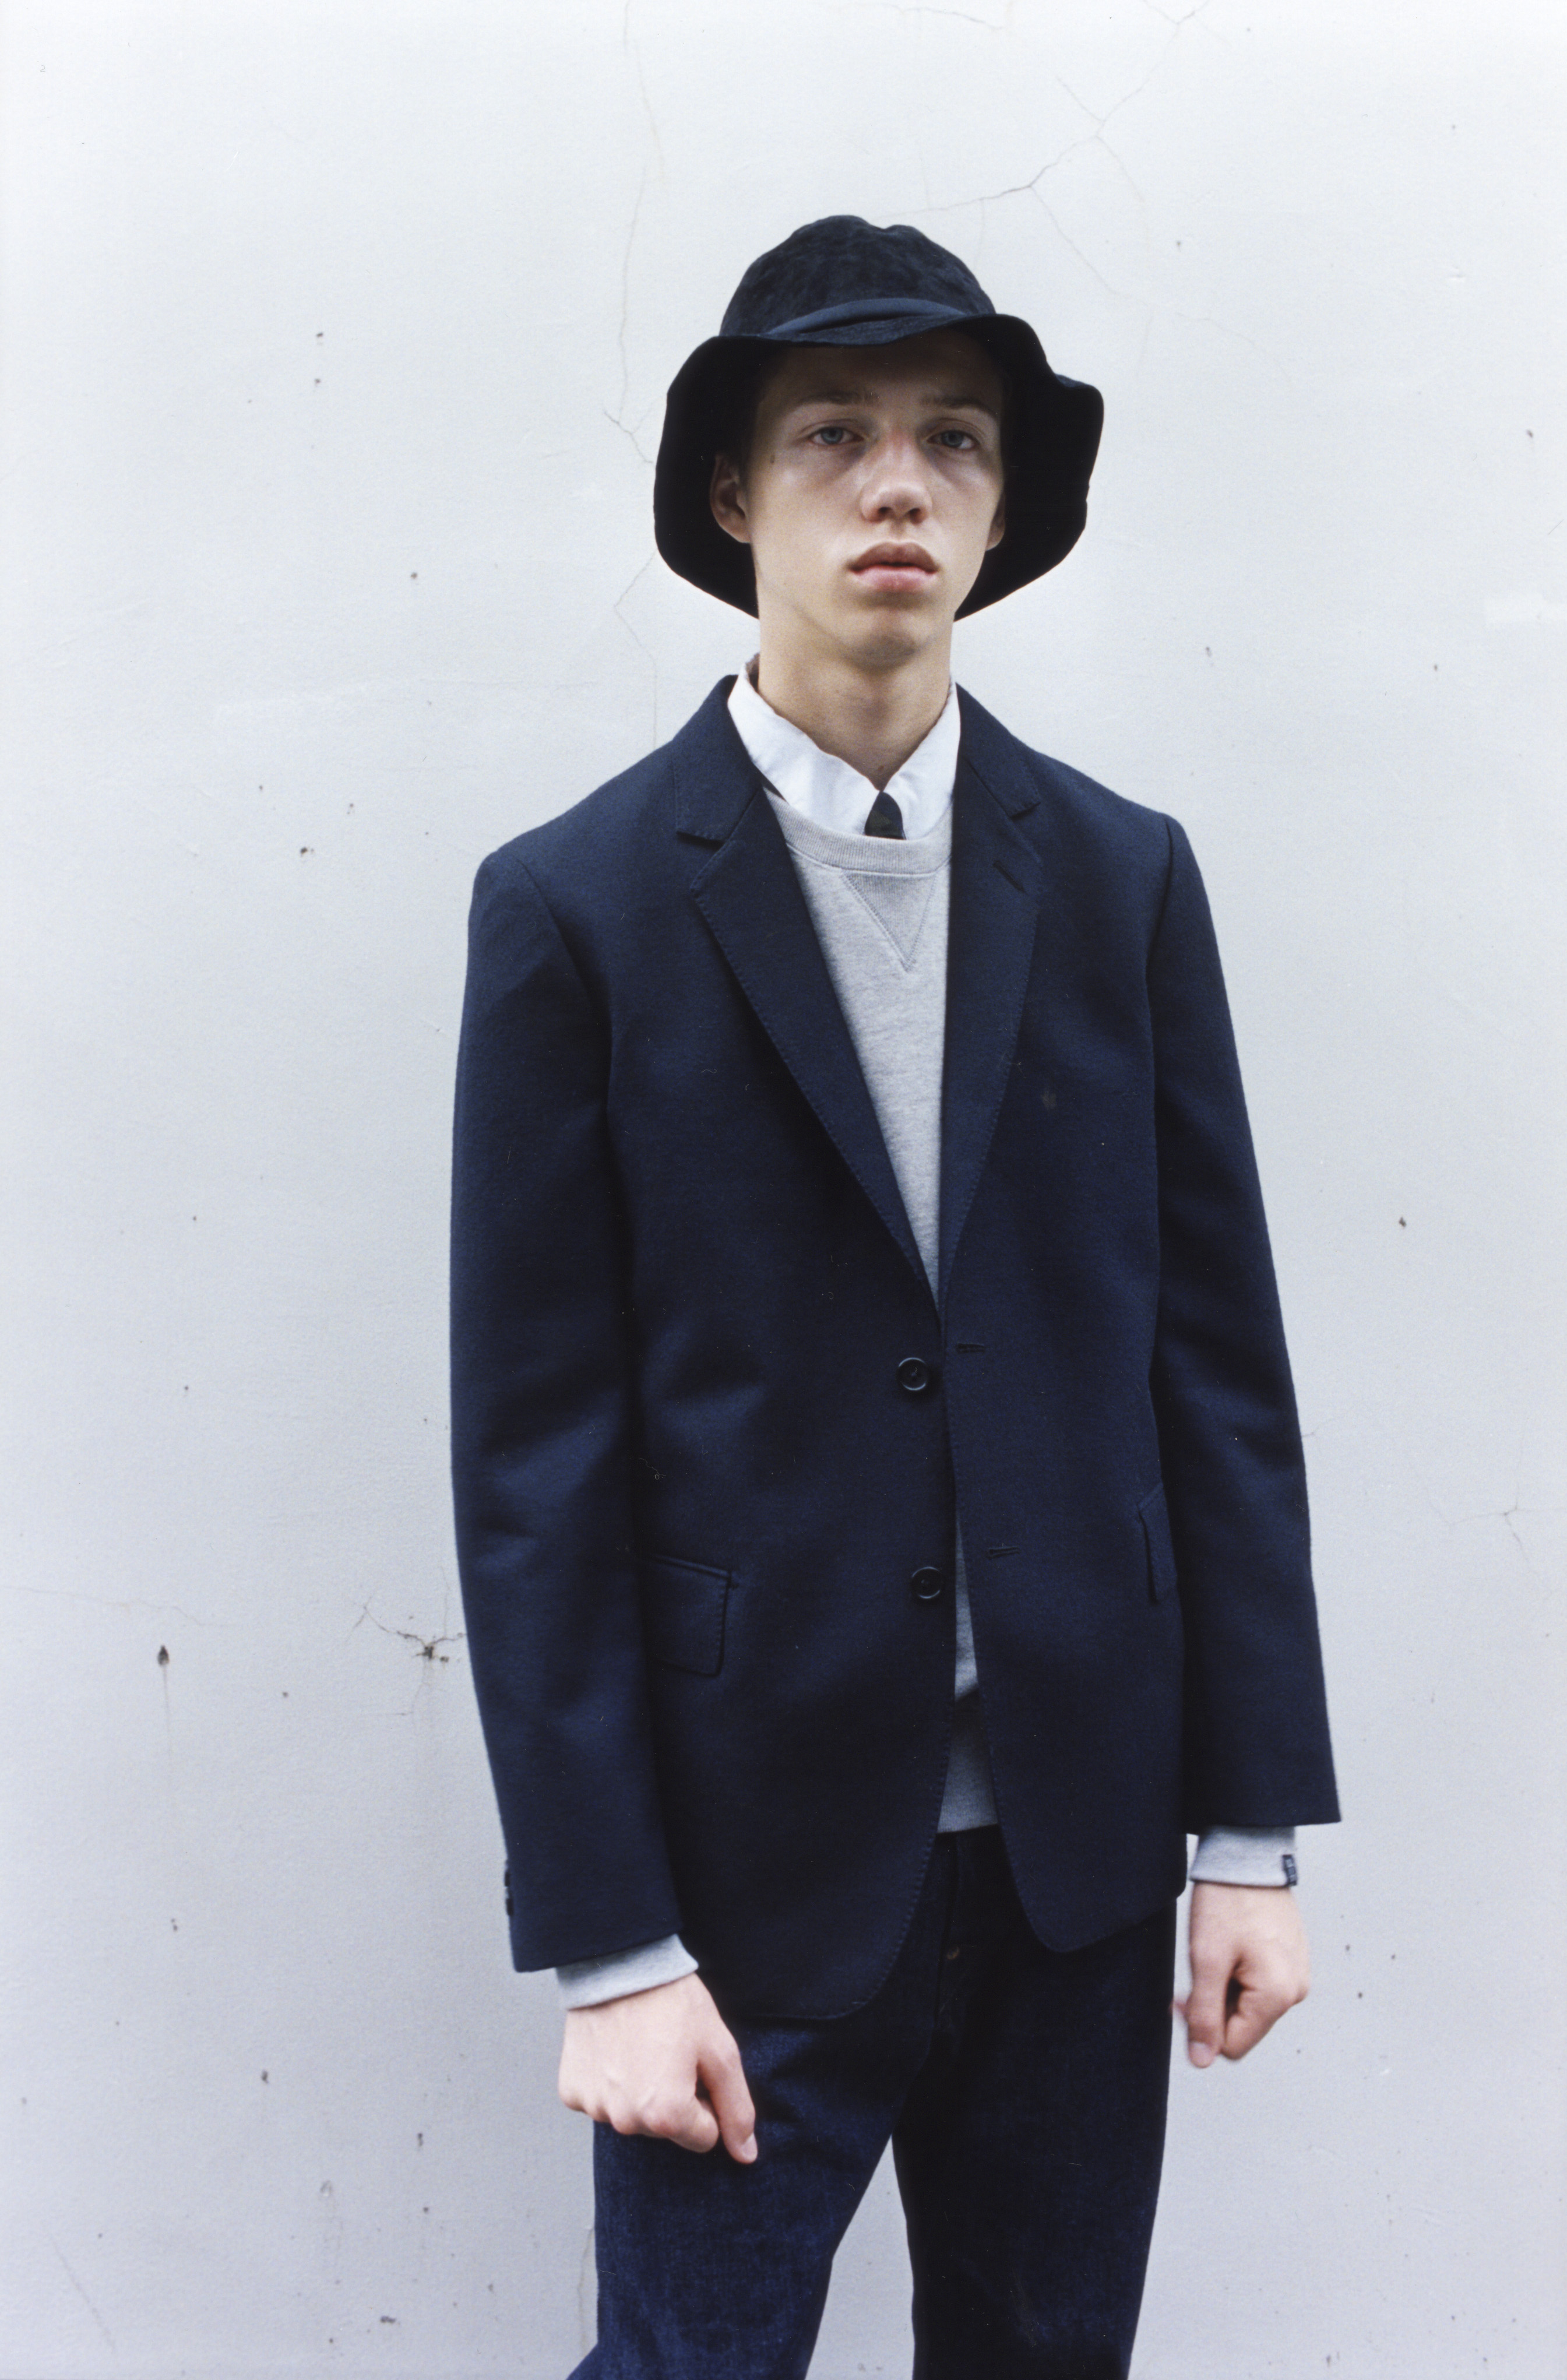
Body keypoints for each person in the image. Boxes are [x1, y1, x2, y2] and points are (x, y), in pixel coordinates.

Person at [449, 214, 1338, 2379]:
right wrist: (608, 1945)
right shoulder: (575, 906)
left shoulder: (1119, 877)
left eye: (952, 439)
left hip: (1077, 1855)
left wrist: (1248, 1834)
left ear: (1003, 507)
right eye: (831, 435)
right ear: (733, 495)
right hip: (742, 1879)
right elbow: (536, 1463)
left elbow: (1214, 1372)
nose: (897, 486)